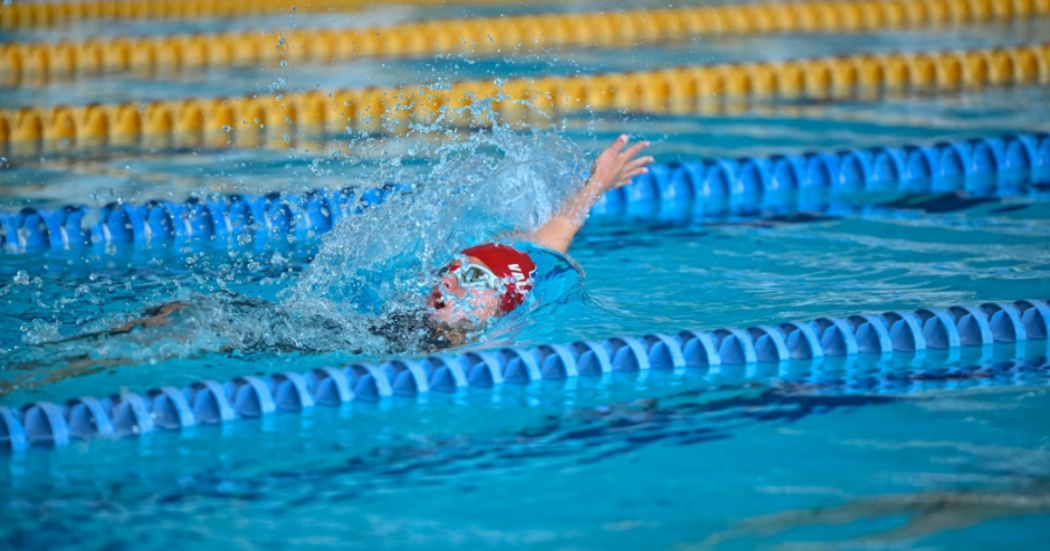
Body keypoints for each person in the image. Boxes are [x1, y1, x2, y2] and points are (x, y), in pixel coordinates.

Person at [2, 136, 652, 390]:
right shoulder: (444, 349)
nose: (449, 287)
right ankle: (50, 369)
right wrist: (591, 188)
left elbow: (547, 238)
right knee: (195, 325)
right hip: (320, 339)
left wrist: (593, 187)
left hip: (322, 328)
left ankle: (60, 360)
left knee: (190, 317)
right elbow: (548, 243)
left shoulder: (423, 317)